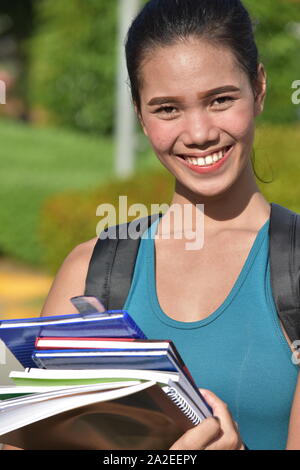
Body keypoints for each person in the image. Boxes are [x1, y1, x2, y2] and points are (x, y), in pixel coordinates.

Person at [3, 0, 299, 451]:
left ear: (258, 88)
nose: (199, 132)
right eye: (167, 109)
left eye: (220, 99)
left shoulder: (293, 268)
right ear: (139, 113)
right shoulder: (90, 272)